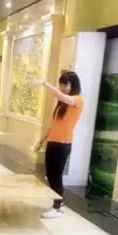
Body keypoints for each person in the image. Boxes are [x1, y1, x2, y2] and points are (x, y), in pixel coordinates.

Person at [34, 72, 84, 219]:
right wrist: (41, 141)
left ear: (73, 85)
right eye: (60, 84)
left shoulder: (78, 100)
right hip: (53, 143)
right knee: (50, 175)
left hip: (63, 144)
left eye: (65, 85)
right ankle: (58, 203)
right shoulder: (62, 104)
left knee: (56, 176)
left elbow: (62, 96)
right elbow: (53, 125)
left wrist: (45, 83)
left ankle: (58, 207)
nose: (62, 87)